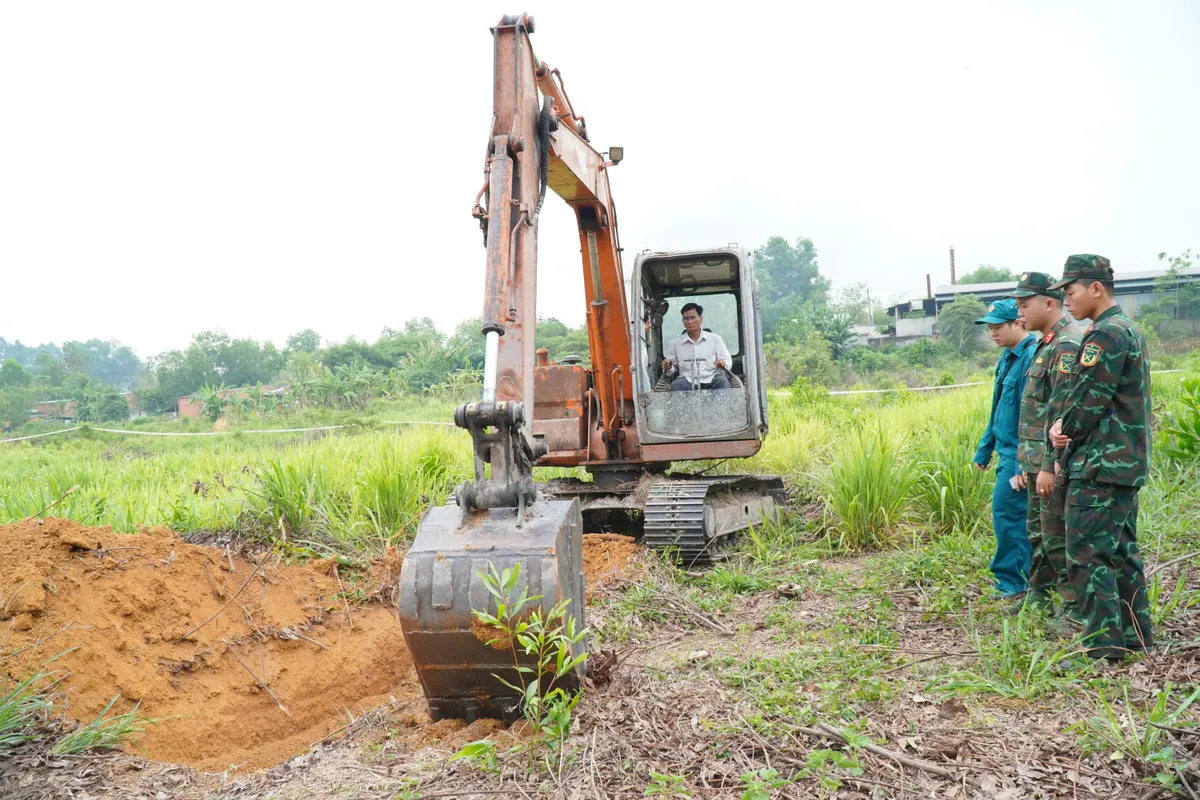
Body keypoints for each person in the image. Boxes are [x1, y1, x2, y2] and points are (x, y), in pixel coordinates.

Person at [1048, 254, 1152, 660]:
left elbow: (1088, 400)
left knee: (1088, 556)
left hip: (1100, 464)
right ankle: (1135, 636)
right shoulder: (1129, 329)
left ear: (1096, 288)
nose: (1066, 301)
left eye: (1070, 291)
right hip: (1123, 464)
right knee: (1122, 551)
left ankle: (1104, 648)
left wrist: (1062, 430)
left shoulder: (1104, 335)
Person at [1008, 272, 1082, 616]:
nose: (1019, 313)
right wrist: (1030, 464)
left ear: (1049, 303)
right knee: (1038, 533)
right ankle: (1039, 594)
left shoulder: (1067, 343)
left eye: (1024, 306)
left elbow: (1063, 413)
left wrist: (1050, 465)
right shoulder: (1046, 342)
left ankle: (1070, 605)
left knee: (1058, 536)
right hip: (1036, 462)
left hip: (1053, 464)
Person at [972, 298, 1037, 598]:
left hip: (1019, 455)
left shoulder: (1031, 357)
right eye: (990, 329)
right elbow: (998, 409)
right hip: (1006, 452)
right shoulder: (1007, 358)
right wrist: (985, 449)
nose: (993, 334)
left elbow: (1032, 415)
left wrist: (1024, 461)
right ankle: (1019, 580)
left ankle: (1013, 585)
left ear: (1018, 323)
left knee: (1009, 516)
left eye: (998, 328)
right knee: (1009, 516)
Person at [663, 303, 732, 391]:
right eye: (686, 318)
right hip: (686, 380)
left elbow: (727, 361)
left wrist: (722, 364)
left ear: (701, 318)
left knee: (722, 381)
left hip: (711, 378)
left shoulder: (715, 339)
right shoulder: (675, 343)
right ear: (682, 321)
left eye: (693, 317)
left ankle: (723, 406)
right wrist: (668, 366)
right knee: (676, 384)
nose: (689, 321)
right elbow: (672, 368)